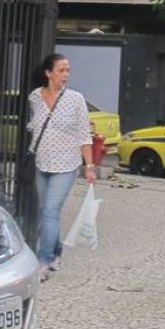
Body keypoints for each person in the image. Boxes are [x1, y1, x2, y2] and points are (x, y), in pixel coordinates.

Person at [25, 53, 96, 282]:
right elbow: (35, 123)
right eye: (61, 70)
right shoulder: (35, 97)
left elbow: (84, 135)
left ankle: (43, 261)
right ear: (49, 73)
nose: (66, 74)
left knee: (50, 211)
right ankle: (56, 252)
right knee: (46, 212)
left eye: (68, 70)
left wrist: (90, 165)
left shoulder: (76, 99)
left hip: (66, 165)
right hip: (42, 163)